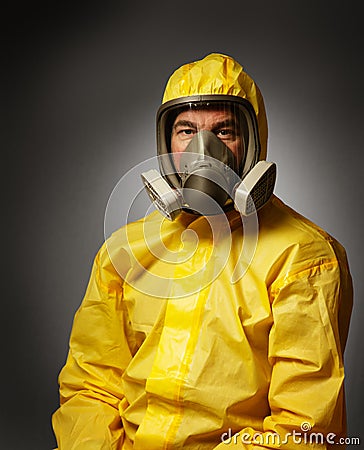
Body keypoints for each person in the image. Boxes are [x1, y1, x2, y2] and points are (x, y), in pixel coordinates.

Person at [52, 53, 353, 449]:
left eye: (224, 131)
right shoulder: (124, 252)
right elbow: (92, 388)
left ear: (253, 141)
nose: (204, 150)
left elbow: (303, 428)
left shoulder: (303, 258)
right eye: (186, 130)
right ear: (165, 143)